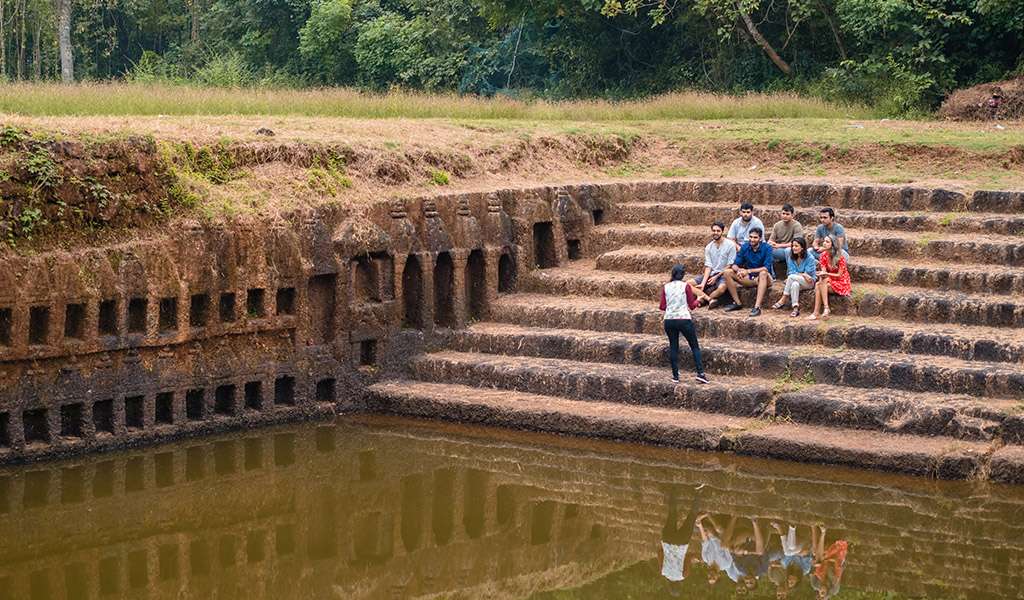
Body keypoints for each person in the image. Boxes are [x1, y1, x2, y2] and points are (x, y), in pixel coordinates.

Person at [660, 265, 709, 384]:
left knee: (673, 346)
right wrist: (699, 299)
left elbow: (662, 306)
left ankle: (675, 375)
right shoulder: (685, 286)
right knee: (694, 346)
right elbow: (692, 306)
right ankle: (700, 373)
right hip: (683, 319)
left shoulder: (666, 287)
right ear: (683, 275)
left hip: (669, 319)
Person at [658, 484, 705, 593]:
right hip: (667, 540)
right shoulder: (662, 572)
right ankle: (674, 489)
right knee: (672, 514)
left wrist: (697, 558)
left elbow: (688, 557)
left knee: (692, 517)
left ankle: (698, 492)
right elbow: (660, 552)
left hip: (681, 542)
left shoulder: (683, 575)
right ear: (669, 585)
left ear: (680, 585)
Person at [722, 228, 774, 317]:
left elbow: (766, 268)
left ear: (760, 239)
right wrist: (738, 270)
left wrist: (748, 271)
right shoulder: (745, 246)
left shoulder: (767, 248)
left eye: (755, 237)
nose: (752, 239)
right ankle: (737, 303)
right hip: (749, 278)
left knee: (763, 273)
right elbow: (735, 264)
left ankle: (757, 307)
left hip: (765, 278)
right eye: (750, 237)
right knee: (727, 272)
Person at [690, 221, 736, 309]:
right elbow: (708, 266)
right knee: (687, 284)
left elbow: (730, 264)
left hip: (723, 274)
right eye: (714, 231)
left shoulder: (730, 245)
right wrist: (703, 283)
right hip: (711, 273)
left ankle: (702, 300)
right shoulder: (709, 247)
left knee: (722, 288)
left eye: (718, 231)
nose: (715, 233)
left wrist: (716, 277)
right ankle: (709, 299)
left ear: (722, 232)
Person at [771, 238, 816, 317]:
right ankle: (795, 308)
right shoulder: (791, 257)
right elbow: (791, 271)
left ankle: (783, 299)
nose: (793, 248)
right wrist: (802, 274)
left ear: (802, 248)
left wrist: (801, 274)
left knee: (791, 277)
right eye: (792, 246)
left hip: (809, 282)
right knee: (795, 284)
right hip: (799, 280)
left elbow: (808, 275)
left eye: (796, 246)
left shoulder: (810, 258)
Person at [809, 236, 851, 321]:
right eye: (824, 241)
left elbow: (839, 275)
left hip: (841, 281)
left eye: (827, 242)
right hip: (829, 280)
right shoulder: (823, 255)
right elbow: (824, 273)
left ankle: (820, 310)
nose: (824, 243)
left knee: (819, 284)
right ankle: (821, 310)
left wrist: (826, 274)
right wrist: (822, 274)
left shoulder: (840, 257)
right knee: (819, 283)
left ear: (833, 244)